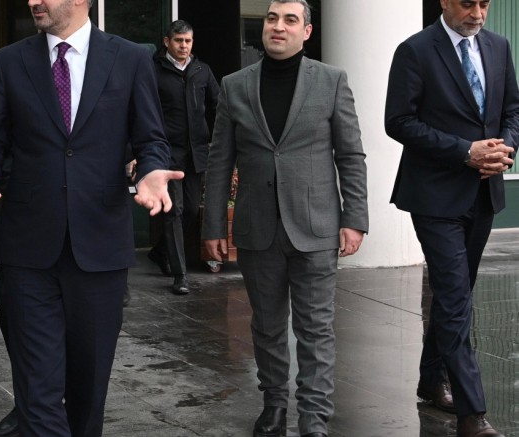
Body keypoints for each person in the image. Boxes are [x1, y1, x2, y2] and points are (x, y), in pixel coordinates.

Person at [0, 0, 181, 434]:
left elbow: (151, 138)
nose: (33, 1)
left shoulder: (130, 58)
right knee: (37, 392)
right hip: (28, 251)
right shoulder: (9, 61)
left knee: (87, 394)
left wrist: (152, 171)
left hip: (99, 247)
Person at [202, 1, 368, 436]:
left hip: (316, 226)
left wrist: (354, 218)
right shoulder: (235, 85)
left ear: (306, 31)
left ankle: (314, 417)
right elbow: (219, 161)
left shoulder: (331, 81)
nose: (278, 26)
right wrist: (214, 225)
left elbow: (351, 155)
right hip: (257, 228)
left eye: (290, 20)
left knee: (316, 329)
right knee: (267, 326)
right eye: (272, 18)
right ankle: (274, 404)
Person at [384, 1, 517, 435]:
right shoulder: (415, 50)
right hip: (434, 196)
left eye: (484, 3)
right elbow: (398, 121)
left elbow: (512, 110)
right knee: (457, 297)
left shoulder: (499, 47)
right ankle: (472, 414)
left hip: (483, 192)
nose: (477, 12)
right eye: (467, 3)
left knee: (452, 294)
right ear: (444, 1)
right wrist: (464, 151)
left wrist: (503, 149)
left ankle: (431, 378)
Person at [147, 19, 220, 294]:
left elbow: (219, 104)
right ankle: (180, 275)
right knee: (174, 211)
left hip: (196, 153)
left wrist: (219, 138)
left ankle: (159, 251)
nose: (184, 46)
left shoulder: (202, 70)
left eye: (188, 41)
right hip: (168, 152)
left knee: (190, 209)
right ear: (167, 42)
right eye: (179, 41)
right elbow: (144, 110)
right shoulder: (153, 71)